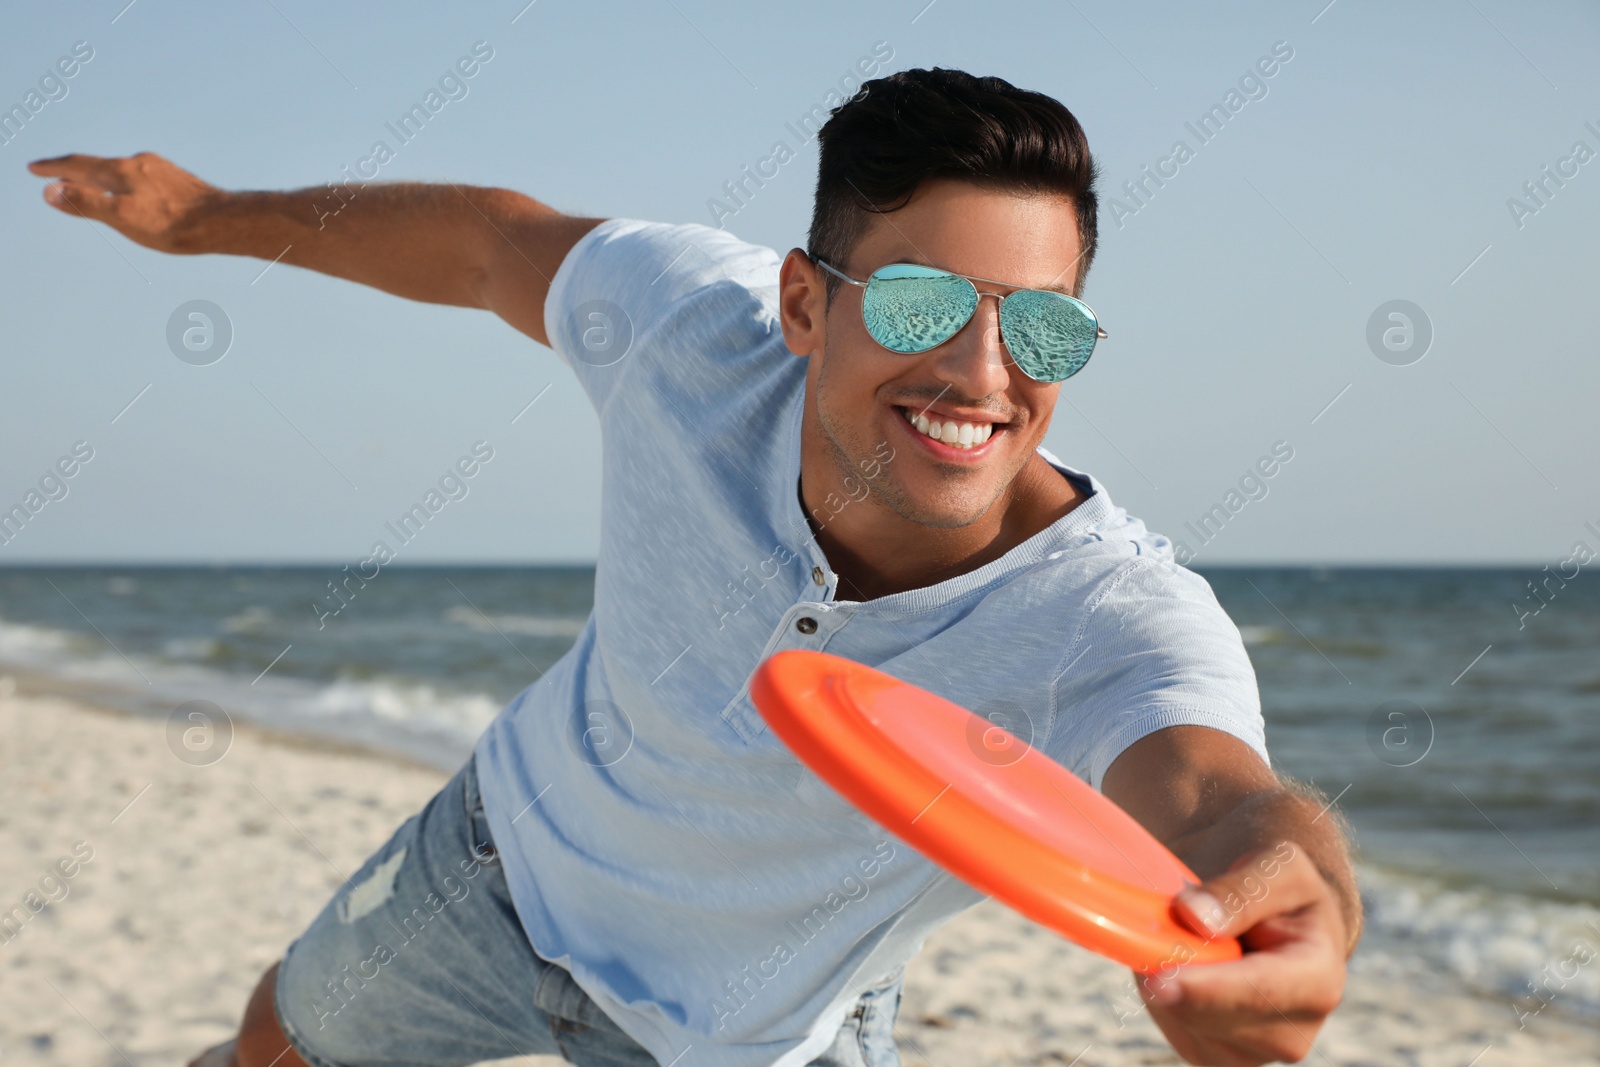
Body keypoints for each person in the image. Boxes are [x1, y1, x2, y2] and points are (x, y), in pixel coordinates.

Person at [29, 67, 1360, 1067]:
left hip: (754, 1028)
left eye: (1045, 328)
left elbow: (1220, 799)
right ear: (802, 303)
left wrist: (1293, 899)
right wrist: (203, 216)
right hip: (502, 862)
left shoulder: (1108, 618)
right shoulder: (691, 336)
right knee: (274, 1046)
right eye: (918, 305)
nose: (980, 372)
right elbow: (492, 241)